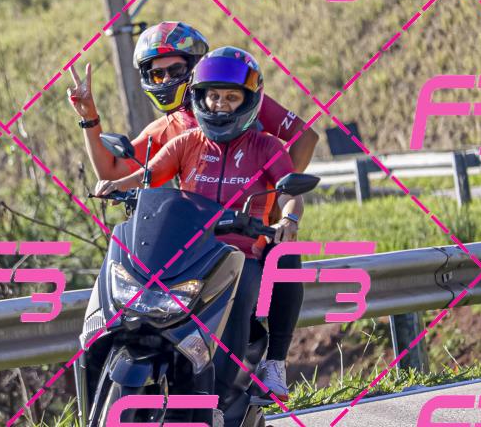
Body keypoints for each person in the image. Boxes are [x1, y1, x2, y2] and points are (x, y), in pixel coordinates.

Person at [69, 22, 317, 401]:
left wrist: (274, 210)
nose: (221, 104)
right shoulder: (178, 134)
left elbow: (299, 148)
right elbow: (129, 174)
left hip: (244, 242)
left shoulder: (259, 132)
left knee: (273, 264)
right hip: (190, 244)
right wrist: (91, 121)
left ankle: (259, 371)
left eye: (175, 70)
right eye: (157, 73)